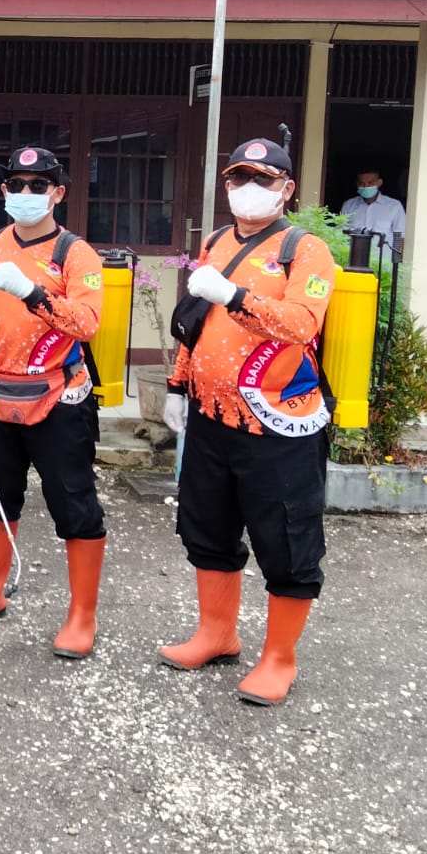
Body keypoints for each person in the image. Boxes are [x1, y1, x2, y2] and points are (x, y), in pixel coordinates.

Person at [159, 137, 336, 707]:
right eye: (237, 179)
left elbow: (303, 323)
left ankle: (279, 657)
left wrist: (236, 295)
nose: (246, 189)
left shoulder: (304, 251)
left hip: (277, 425)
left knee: (286, 539)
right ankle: (217, 634)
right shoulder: (215, 241)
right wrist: (177, 385)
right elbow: (196, 321)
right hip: (211, 418)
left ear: (286, 188)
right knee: (206, 529)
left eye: (260, 178)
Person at [0, 146, 107, 659]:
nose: (25, 194)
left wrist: (34, 292)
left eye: (38, 185)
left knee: (74, 502)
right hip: (1, 391)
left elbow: (87, 323)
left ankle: (82, 616)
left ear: (58, 193)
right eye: (17, 184)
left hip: (61, 393)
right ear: (5, 191)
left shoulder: (74, 253)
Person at [338, 169, 406, 244]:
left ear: (379, 183)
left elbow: (400, 236)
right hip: (354, 255)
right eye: (362, 183)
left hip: (383, 255)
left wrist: (398, 255)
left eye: (370, 183)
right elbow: (340, 233)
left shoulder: (394, 206)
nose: (366, 186)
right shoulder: (348, 205)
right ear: (357, 184)